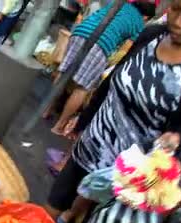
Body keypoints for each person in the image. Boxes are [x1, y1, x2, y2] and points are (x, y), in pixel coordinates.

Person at [45, 0, 181, 223]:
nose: (177, 21)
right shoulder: (152, 35)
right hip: (93, 144)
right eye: (175, 9)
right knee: (50, 208)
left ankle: (77, 218)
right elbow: (113, 80)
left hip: (132, 174)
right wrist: (84, 121)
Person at [42, 1, 156, 136]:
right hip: (101, 43)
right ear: (146, 17)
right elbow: (128, 48)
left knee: (64, 73)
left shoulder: (118, 4)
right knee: (82, 87)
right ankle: (59, 125)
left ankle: (46, 110)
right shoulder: (139, 23)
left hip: (81, 31)